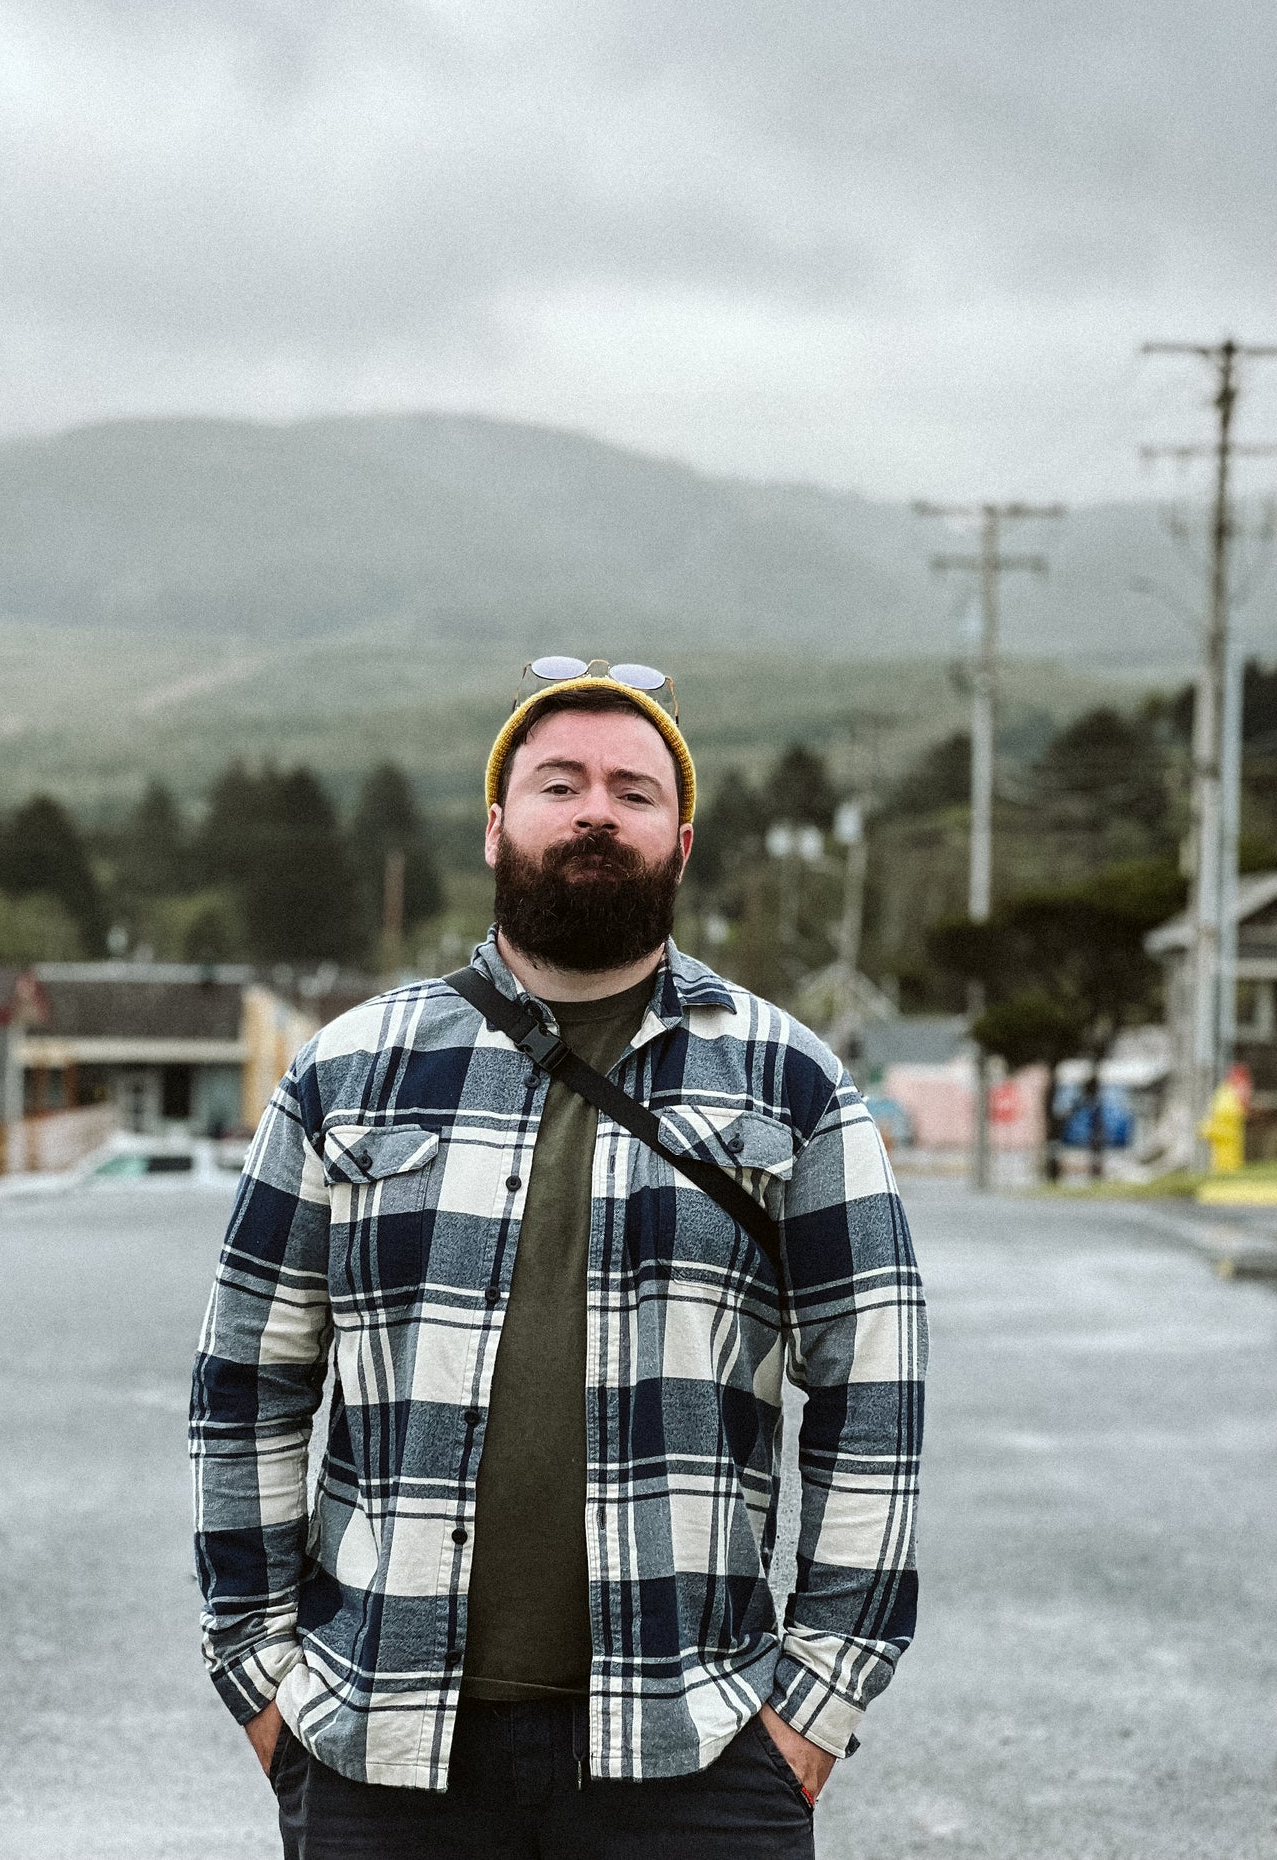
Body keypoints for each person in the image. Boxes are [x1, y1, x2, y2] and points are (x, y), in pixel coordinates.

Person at [191, 660, 927, 1858]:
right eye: (559, 783)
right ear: (495, 827)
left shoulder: (791, 1082)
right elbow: (247, 1378)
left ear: (679, 843)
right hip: (381, 1742)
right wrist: (260, 1672)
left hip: (696, 1746)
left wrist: (815, 1704)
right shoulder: (349, 1068)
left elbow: (874, 1393)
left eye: (633, 791)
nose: (595, 809)